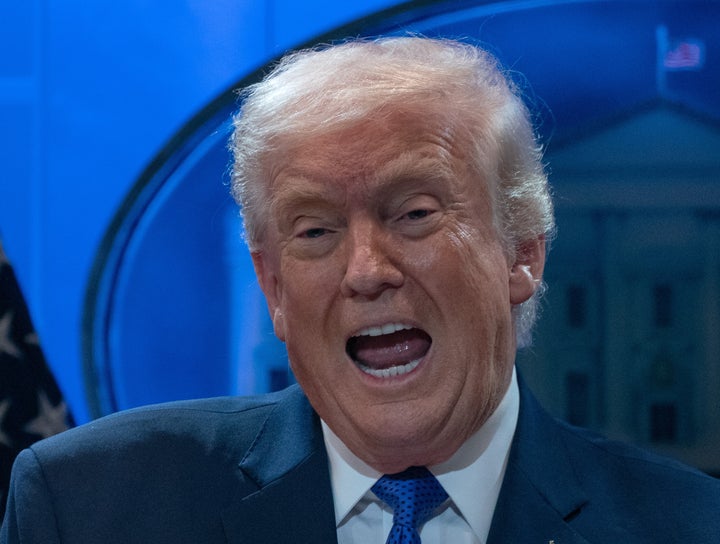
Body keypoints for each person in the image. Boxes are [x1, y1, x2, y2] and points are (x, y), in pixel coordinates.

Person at [2, 37, 719, 544]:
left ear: (522, 252)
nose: (366, 270)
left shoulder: (690, 525)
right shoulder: (88, 507)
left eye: (414, 214)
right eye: (315, 230)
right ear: (272, 286)